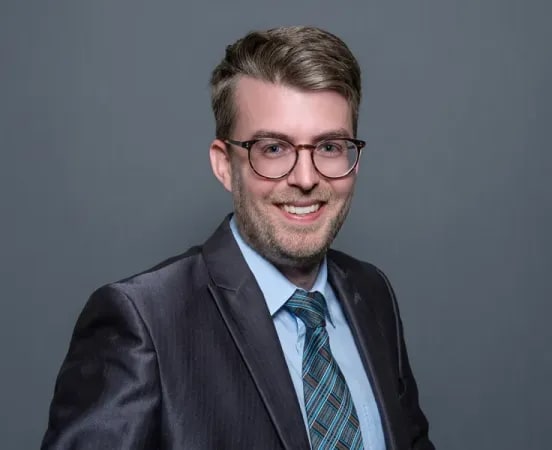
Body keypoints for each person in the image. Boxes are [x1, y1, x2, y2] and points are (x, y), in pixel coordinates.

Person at [42, 26, 434, 450]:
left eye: (329, 147)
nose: (306, 179)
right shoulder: (145, 322)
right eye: (273, 149)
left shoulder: (372, 294)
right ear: (225, 165)